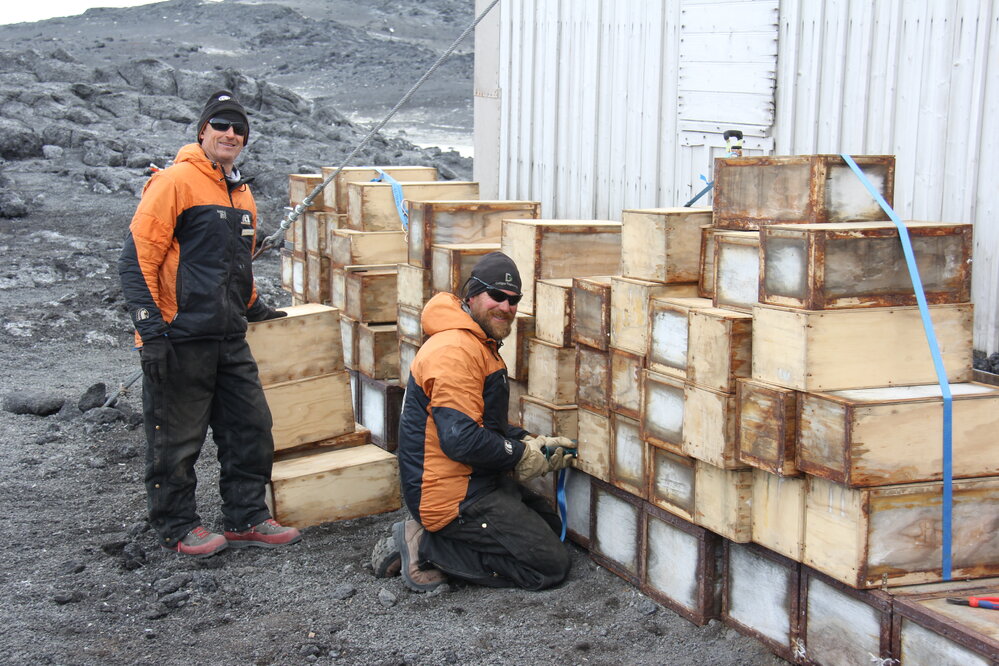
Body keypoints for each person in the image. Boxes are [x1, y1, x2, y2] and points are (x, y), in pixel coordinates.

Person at [118, 90, 301, 558]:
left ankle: (246, 517)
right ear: (202, 131)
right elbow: (137, 260)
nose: (230, 134)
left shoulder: (242, 193)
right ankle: (177, 525)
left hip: (228, 337)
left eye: (238, 128)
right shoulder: (175, 181)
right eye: (220, 125)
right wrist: (149, 331)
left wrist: (255, 305)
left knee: (251, 428)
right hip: (178, 338)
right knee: (176, 440)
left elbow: (236, 266)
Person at [373, 252, 575, 592]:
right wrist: (519, 455)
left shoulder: (478, 343)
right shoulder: (454, 350)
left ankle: (441, 540)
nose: (506, 307)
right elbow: (461, 440)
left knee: (550, 527)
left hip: (476, 480)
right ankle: (424, 546)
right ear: (472, 296)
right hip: (450, 495)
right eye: (497, 296)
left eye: (514, 300)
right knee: (549, 566)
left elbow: (481, 424)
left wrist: (530, 441)